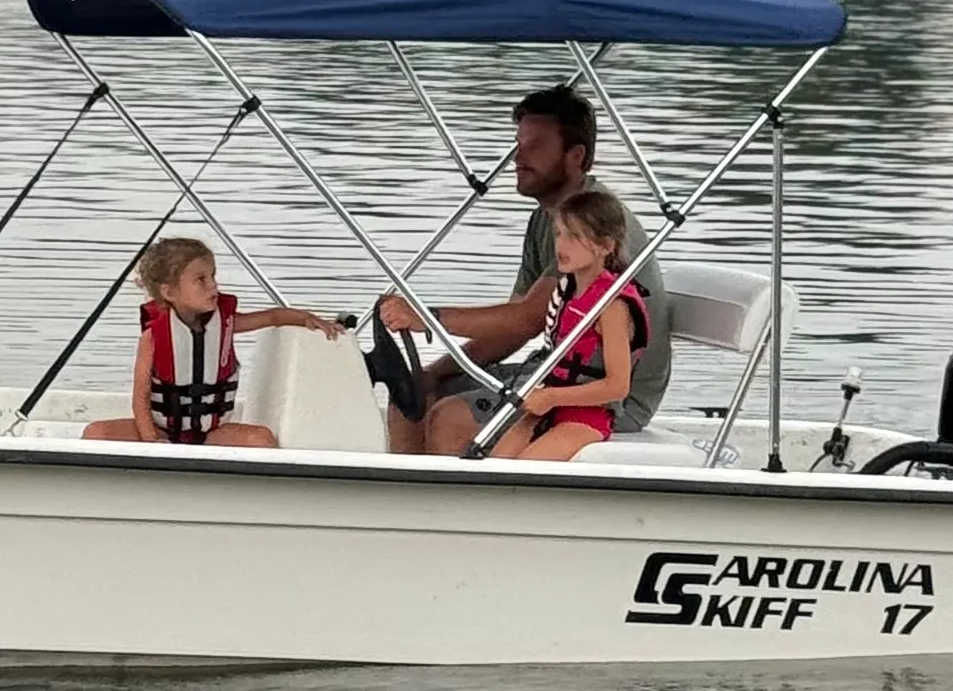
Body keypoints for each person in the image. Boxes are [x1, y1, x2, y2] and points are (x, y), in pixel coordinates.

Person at [373, 85, 672, 457]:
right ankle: (406, 504)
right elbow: (511, 331)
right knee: (415, 390)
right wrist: (436, 371)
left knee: (450, 415)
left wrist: (427, 318)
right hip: (554, 371)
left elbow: (526, 320)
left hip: (610, 401)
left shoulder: (595, 223)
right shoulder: (547, 222)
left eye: (535, 147)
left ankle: (453, 509)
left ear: (575, 156)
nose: (518, 156)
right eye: (518, 144)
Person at [83, 236, 345, 447]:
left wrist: (307, 319)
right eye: (201, 279)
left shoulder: (226, 326)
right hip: (161, 432)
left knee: (262, 439)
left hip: (211, 434)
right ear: (169, 291)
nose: (213, 287)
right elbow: (140, 400)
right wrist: (151, 442)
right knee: (96, 433)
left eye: (213, 276)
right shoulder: (152, 339)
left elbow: (273, 317)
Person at [487, 185, 649, 461]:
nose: (561, 245)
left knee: (525, 469)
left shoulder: (611, 306)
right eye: (559, 234)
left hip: (588, 416)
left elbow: (618, 386)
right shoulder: (568, 292)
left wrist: (551, 398)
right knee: (494, 465)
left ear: (606, 246)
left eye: (574, 237)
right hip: (552, 408)